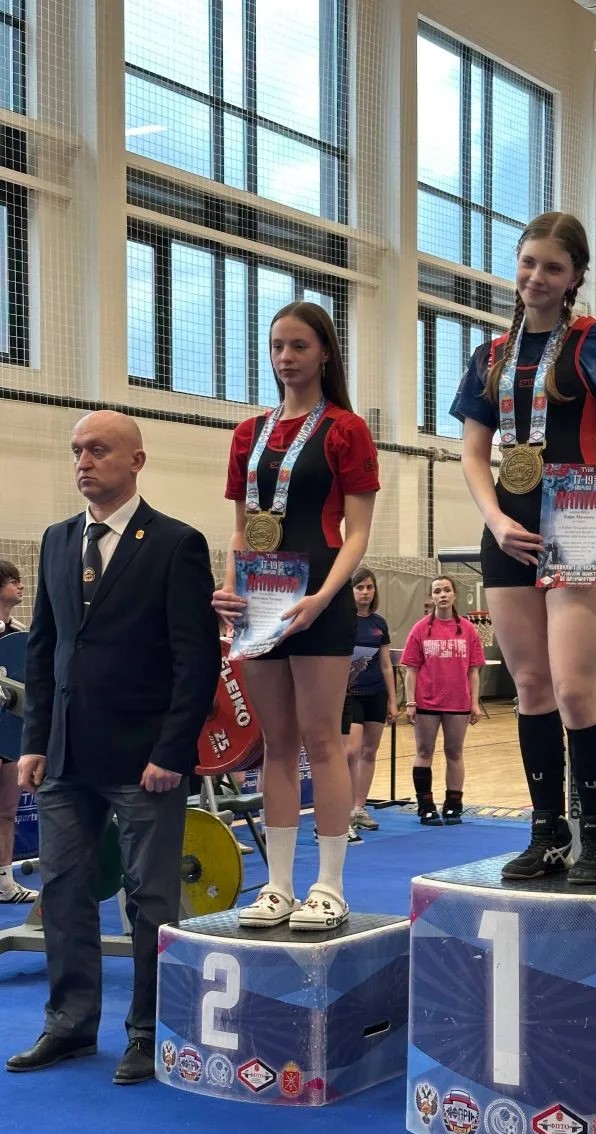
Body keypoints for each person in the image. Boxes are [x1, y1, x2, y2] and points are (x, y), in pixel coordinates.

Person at [6, 412, 221, 1084]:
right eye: (77, 451)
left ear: (137, 460)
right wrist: (35, 741)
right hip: (66, 757)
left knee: (149, 901)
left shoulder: (177, 544)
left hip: (144, 758)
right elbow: (44, 650)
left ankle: (149, 1033)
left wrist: (172, 751)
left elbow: (197, 660)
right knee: (64, 890)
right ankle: (69, 1026)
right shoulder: (57, 540)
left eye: (98, 450)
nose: (83, 462)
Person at [455, 210, 596, 882]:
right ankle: (547, 832)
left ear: (575, 277)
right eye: (528, 262)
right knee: (530, 686)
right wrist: (495, 520)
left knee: (573, 688)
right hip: (509, 531)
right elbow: (473, 453)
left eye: (553, 268)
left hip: (580, 525)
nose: (536, 277)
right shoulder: (489, 357)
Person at [214, 301, 379, 931]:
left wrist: (325, 596)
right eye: (278, 346)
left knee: (322, 741)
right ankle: (278, 885)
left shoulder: (345, 429)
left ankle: (329, 885)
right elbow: (240, 529)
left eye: (300, 346)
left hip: (320, 600)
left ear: (325, 353)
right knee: (275, 746)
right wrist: (231, 589)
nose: (286, 357)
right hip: (259, 603)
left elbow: (357, 533)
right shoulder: (247, 435)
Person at [400, 576, 484, 824]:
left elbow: (474, 671)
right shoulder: (420, 629)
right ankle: (425, 805)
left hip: (458, 702)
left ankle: (453, 804)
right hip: (427, 702)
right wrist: (410, 702)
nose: (443, 595)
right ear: (432, 597)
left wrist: (474, 703)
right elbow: (411, 669)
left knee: (454, 752)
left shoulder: (468, 629)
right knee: (424, 750)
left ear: (455, 594)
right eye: (437, 591)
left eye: (447, 590)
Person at [343, 566, 397, 833]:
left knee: (369, 752)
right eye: (360, 587)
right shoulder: (344, 621)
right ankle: (343, 810)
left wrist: (393, 701)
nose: (365, 592)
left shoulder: (379, 624)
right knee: (351, 751)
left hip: (376, 693)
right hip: (350, 694)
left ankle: (359, 808)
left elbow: (386, 664)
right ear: (351, 591)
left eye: (369, 587)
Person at [0, 560, 36, 904]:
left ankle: (4, 884)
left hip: (8, 735)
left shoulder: (20, 632)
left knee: (7, 810)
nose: (20, 586)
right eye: (13, 581)